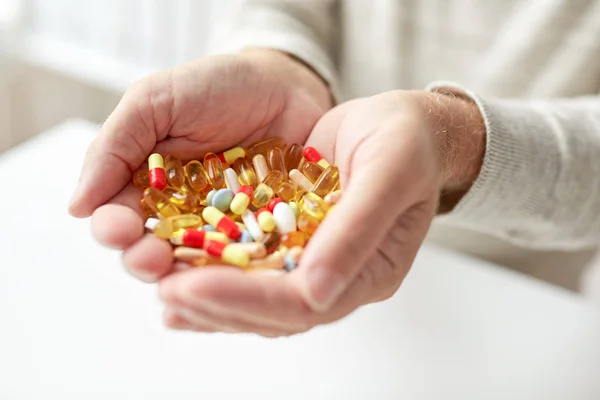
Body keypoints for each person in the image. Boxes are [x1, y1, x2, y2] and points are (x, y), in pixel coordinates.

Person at [68, 0, 600, 336]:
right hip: (325, 247)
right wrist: (277, 61)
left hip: (527, 300)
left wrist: (457, 142)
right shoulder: (257, 194)